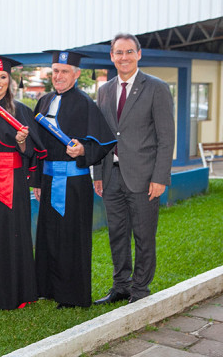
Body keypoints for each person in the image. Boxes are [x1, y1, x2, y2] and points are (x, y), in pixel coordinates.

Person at [30, 51, 116, 309]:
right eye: (55, 71)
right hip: (46, 179)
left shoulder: (85, 103)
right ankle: (47, 287)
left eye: (64, 71)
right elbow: (35, 145)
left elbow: (104, 142)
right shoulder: (43, 101)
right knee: (47, 235)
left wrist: (82, 151)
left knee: (71, 238)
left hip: (74, 182)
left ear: (76, 74)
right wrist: (35, 180)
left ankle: (72, 294)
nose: (58, 76)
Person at [93, 33, 175, 305]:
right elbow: (100, 136)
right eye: (119, 52)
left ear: (139, 54)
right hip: (111, 175)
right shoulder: (104, 90)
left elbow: (166, 138)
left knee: (143, 236)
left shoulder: (156, 87)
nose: (124, 57)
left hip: (144, 178)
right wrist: (98, 174)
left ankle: (140, 291)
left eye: (129, 52)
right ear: (112, 56)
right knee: (117, 235)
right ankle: (121, 286)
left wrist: (160, 177)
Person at [0, 56, 46, 310]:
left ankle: (11, 292)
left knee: (8, 234)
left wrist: (22, 140)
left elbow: (31, 152)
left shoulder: (21, 110)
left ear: (10, 80)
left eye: (3, 77)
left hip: (9, 180)